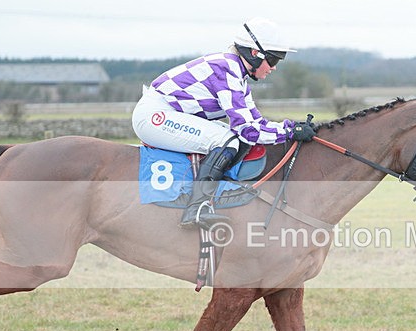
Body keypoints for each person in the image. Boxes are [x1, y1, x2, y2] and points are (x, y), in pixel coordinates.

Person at [131, 17, 316, 229]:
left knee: (230, 137)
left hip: (167, 113)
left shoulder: (238, 76)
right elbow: (247, 131)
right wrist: (288, 133)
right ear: (255, 54)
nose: (273, 68)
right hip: (155, 115)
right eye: (273, 61)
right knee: (227, 140)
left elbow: (256, 122)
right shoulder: (227, 69)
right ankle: (197, 209)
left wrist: (291, 128)